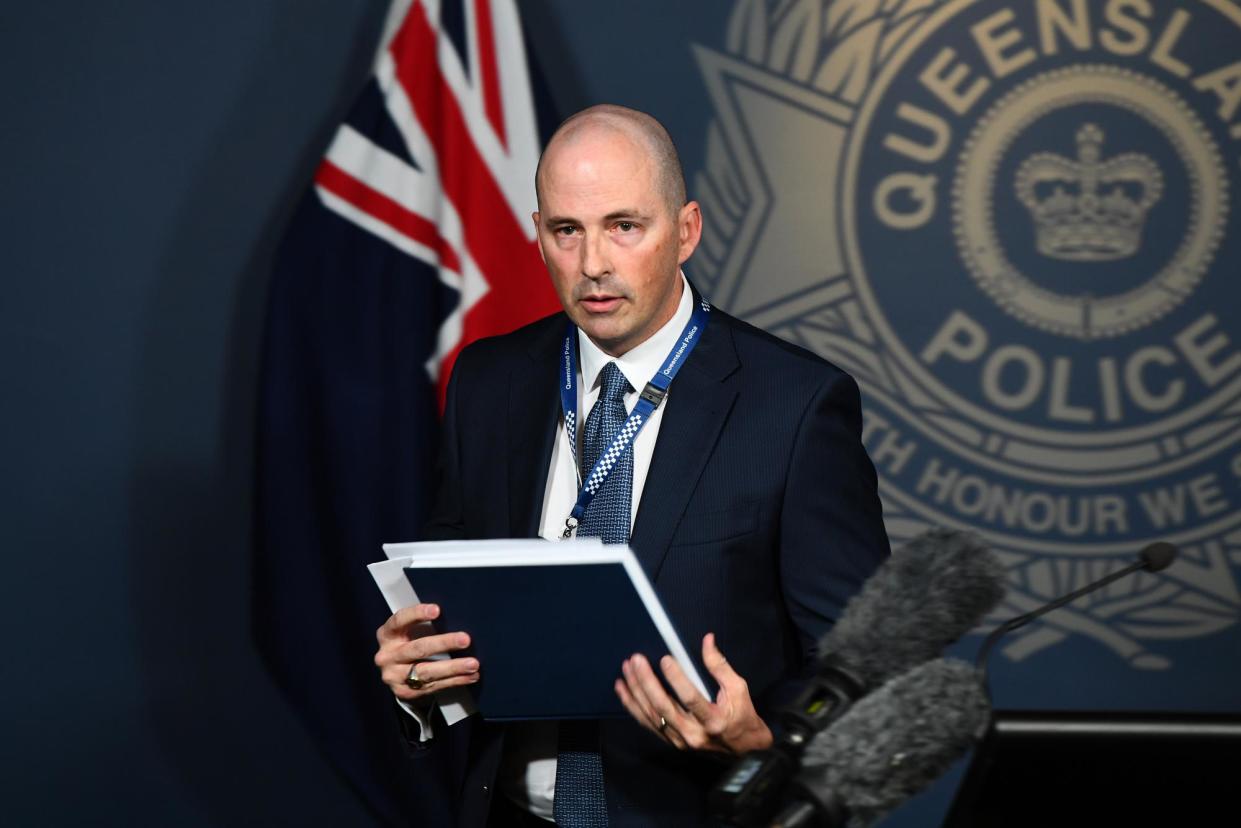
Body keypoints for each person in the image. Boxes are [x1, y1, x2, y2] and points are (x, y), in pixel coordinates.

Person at [372, 104, 889, 827]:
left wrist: (759, 739)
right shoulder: (489, 382)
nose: (593, 265)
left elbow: (865, 668)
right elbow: (453, 608)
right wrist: (418, 679)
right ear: (539, 235)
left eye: (624, 226)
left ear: (685, 231)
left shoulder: (795, 406)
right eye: (566, 231)